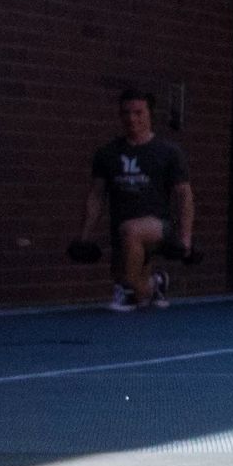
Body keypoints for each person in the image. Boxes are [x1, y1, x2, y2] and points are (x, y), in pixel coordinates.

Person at [85, 89, 193, 313]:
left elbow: (184, 195)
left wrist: (185, 238)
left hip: (158, 227)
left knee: (132, 230)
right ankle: (155, 284)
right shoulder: (107, 153)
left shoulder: (168, 152)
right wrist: (84, 236)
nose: (131, 118)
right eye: (126, 113)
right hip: (122, 231)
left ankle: (127, 290)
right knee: (133, 280)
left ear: (149, 114)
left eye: (138, 112)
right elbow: (96, 195)